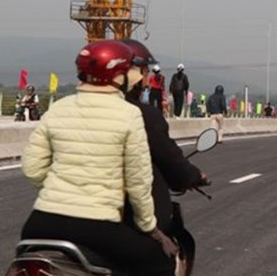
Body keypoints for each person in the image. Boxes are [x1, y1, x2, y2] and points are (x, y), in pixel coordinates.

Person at [19, 40, 177, 275]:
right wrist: (149, 227)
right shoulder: (129, 115)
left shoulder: (58, 108)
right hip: (97, 224)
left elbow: (32, 168)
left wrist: (62, 188)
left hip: (41, 222)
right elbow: (138, 181)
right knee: (160, 261)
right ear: (119, 76)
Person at [120, 39, 210, 276]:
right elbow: (170, 162)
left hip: (51, 217)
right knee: (162, 258)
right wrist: (191, 176)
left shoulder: (65, 112)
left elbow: (35, 168)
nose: (149, 77)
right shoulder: (141, 116)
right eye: (146, 72)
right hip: (117, 219)